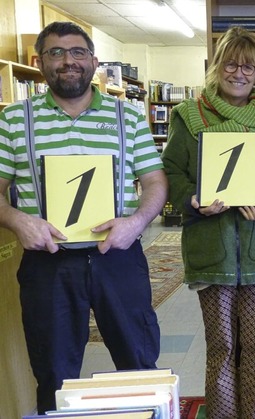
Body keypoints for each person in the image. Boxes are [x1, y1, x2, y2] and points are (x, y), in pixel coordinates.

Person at [0, 21, 167, 413]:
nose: (68, 61)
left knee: (139, 362)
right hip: (48, 264)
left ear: (93, 61)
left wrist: (137, 222)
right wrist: (17, 220)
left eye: (77, 52)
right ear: (40, 63)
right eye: (56, 53)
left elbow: (156, 181)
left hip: (119, 256)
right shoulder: (13, 120)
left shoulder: (128, 117)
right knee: (54, 373)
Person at [161, 27, 255, 418]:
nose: (239, 73)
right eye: (231, 64)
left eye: (249, 67)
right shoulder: (188, 118)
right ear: (217, 67)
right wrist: (191, 198)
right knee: (221, 349)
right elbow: (169, 172)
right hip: (212, 251)